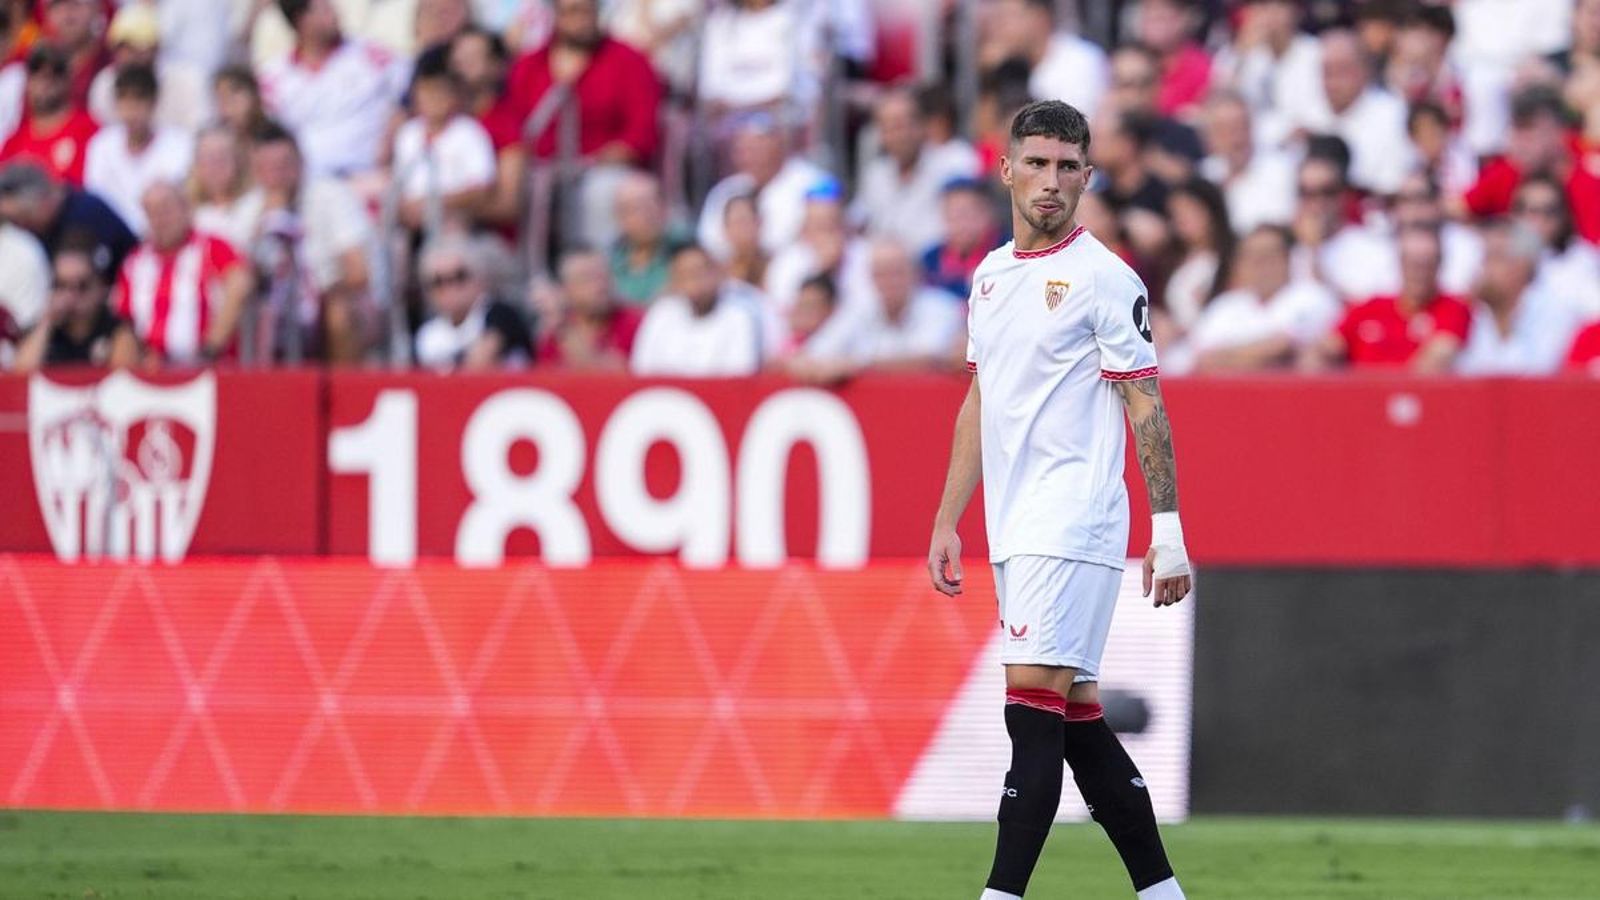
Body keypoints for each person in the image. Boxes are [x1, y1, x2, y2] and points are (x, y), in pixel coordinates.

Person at [928, 100, 1191, 900]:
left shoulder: (1105, 279)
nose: (1050, 181)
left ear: (1087, 176)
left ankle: (1000, 895)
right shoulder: (991, 276)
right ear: (1006, 170)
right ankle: (1162, 892)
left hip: (1071, 516)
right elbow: (981, 398)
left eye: (1067, 167)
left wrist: (1168, 528)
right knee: (1075, 721)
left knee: (1029, 714)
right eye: (1036, 163)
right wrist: (949, 517)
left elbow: (1145, 402)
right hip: (1017, 525)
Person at [256, 0, 407, 178]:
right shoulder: (273, 77)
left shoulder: (371, 55)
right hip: (308, 183)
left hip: (369, 176)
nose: (335, 14)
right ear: (301, 20)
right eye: (325, 10)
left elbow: (410, 94)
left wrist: (391, 137)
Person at [113, 180, 254, 365]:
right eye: (152, 213)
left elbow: (240, 285)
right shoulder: (136, 260)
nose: (160, 219)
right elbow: (125, 320)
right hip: (152, 367)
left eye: (166, 209)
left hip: (207, 364)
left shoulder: (211, 247)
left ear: (186, 209)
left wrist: (210, 350)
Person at [1303, 226, 1471, 373]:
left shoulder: (1453, 308)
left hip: (1418, 402)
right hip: (1357, 400)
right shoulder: (1370, 307)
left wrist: (1383, 393)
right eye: (1412, 263)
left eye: (1426, 264)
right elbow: (1327, 347)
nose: (1418, 272)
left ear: (1439, 265)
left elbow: (1436, 361)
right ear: (1400, 263)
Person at [1185, 224, 1341, 373]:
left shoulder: (1311, 295)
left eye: (1268, 255)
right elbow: (1203, 359)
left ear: (1287, 258)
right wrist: (1259, 356)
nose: (1259, 264)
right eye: (1250, 256)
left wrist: (1227, 357)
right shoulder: (1225, 305)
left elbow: (1283, 347)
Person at [852, 85, 980, 256]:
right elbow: (856, 220)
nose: (898, 135)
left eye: (902, 125)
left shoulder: (953, 161)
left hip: (937, 270)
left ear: (922, 126)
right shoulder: (876, 174)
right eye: (889, 128)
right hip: (888, 271)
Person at [1455, 220, 1582, 376]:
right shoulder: (1471, 315)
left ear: (1521, 267)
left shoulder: (1555, 316)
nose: (1482, 267)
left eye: (1493, 257)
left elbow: (1537, 375)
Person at [83, 63, 193, 234]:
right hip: (114, 240)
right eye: (125, 100)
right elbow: (97, 201)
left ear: (154, 102)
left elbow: (179, 204)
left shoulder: (179, 144)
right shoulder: (101, 145)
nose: (132, 111)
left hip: (164, 235)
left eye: (139, 100)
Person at [630, 242, 762, 376]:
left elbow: (741, 373)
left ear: (716, 273)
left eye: (699, 272)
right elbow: (643, 369)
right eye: (685, 274)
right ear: (674, 279)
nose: (693, 281)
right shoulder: (661, 314)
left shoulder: (738, 317)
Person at [11, 236, 138, 371]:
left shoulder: (117, 331)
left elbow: (123, 379)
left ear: (101, 287)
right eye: (61, 285)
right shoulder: (43, 331)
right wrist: (47, 323)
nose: (70, 296)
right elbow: (21, 375)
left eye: (82, 286)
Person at [413, 234, 532, 370]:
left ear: (479, 278)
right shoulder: (427, 335)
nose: (450, 288)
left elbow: (479, 361)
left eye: (459, 277)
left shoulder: (500, 315)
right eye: (438, 282)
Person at [0, 160, 136, 270]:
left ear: (45, 201)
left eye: (21, 219)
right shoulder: (35, 235)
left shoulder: (90, 214)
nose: (19, 228)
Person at [0, 42, 99, 184]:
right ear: (27, 81)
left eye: (56, 71)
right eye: (36, 70)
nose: (45, 77)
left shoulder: (89, 131)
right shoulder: (14, 142)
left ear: (69, 78)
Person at [538, 246, 642, 368]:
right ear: (564, 290)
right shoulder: (551, 337)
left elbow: (615, 376)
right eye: (587, 278)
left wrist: (563, 329)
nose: (600, 285)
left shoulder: (635, 324)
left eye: (603, 276)